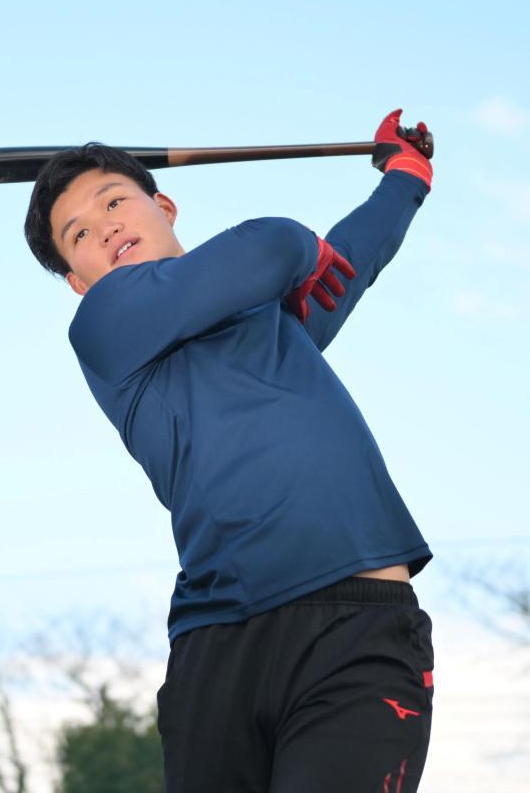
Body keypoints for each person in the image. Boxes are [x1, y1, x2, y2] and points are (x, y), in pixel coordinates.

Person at [24, 110, 436, 792]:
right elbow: (271, 245)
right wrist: (304, 248)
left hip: (356, 628)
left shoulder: (267, 318)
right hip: (221, 642)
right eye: (80, 237)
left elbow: (350, 260)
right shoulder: (106, 323)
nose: (105, 230)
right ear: (77, 280)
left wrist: (405, 175)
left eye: (114, 202)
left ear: (163, 204)